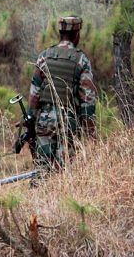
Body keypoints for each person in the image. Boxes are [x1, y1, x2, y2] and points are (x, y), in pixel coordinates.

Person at [27, 16, 96, 171]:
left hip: (44, 121)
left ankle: (38, 191)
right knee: (65, 171)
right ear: (76, 34)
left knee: (42, 170)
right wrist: (90, 132)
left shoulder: (44, 56)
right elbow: (87, 100)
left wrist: (30, 118)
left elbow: (34, 93)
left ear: (60, 33)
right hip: (67, 122)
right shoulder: (81, 60)